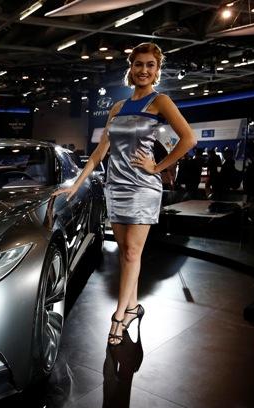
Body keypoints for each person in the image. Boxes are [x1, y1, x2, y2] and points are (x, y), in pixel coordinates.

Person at [53, 42, 196, 345]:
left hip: (143, 186)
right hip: (114, 187)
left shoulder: (161, 101)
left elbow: (188, 140)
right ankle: (132, 307)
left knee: (132, 253)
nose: (144, 70)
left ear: (157, 70)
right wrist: (77, 183)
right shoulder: (117, 108)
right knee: (125, 254)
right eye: (139, 64)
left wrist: (157, 166)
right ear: (131, 68)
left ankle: (119, 317)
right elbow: (99, 152)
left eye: (150, 65)